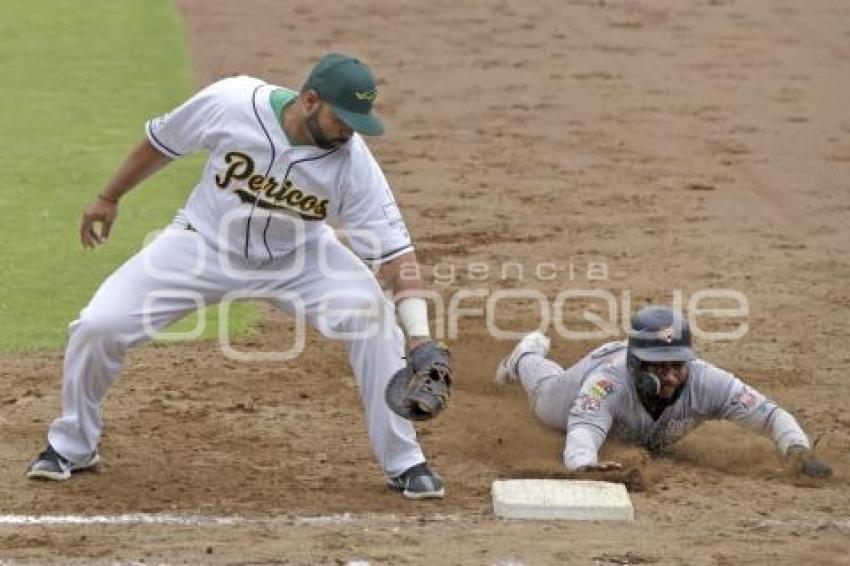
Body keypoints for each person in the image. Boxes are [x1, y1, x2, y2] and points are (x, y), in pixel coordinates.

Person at [26, 53, 447, 499]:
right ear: (308, 100)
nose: (350, 131)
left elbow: (397, 255)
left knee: (376, 322)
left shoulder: (354, 165)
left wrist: (419, 337)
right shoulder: (231, 102)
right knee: (99, 325)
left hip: (300, 259)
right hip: (202, 244)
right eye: (342, 118)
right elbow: (162, 141)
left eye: (358, 122)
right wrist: (108, 197)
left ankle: (405, 460)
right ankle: (72, 445)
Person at [495, 305, 832, 480]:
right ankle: (524, 356)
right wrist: (585, 465)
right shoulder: (608, 382)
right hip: (578, 385)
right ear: (636, 362)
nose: (670, 376)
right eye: (658, 366)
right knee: (542, 397)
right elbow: (583, 432)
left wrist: (797, 450)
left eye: (677, 364)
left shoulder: (706, 380)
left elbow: (772, 415)